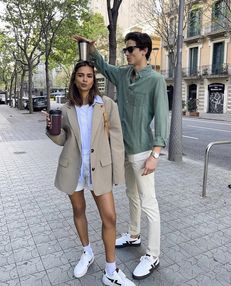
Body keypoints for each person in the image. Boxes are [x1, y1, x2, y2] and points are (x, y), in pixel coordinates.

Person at [74, 32, 169, 280]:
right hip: (124, 150)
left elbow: (161, 116)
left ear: (144, 51)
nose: (126, 53)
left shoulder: (156, 80)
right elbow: (103, 66)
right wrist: (91, 49)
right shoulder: (124, 75)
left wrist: (155, 154)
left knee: (149, 203)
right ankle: (134, 234)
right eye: (125, 49)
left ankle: (153, 254)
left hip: (143, 151)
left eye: (130, 49)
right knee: (131, 196)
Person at [45, 60, 136, 286]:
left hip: (100, 168)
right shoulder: (66, 109)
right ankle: (87, 252)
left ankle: (111, 271)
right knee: (78, 210)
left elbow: (116, 140)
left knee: (110, 217)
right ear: (74, 79)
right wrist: (51, 130)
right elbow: (62, 140)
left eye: (89, 75)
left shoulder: (106, 104)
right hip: (73, 167)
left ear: (94, 80)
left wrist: (117, 173)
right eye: (81, 75)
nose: (85, 79)